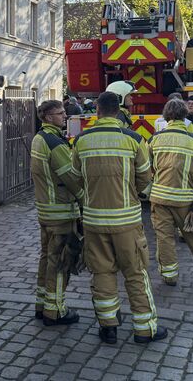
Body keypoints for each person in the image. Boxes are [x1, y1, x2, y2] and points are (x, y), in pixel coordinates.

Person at [72, 92, 166, 345]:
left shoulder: (81, 141)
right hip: (127, 221)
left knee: (102, 272)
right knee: (135, 273)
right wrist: (129, 193)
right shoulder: (134, 140)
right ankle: (145, 330)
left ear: (98, 111)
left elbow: (75, 177)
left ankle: (108, 327)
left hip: (93, 220)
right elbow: (146, 177)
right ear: (119, 110)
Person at [147, 99, 193, 284]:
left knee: (163, 238)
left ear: (166, 115)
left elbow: (146, 170)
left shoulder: (154, 139)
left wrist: (149, 192)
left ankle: (169, 276)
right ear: (185, 115)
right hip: (185, 200)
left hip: (159, 199)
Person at [30, 100, 85, 325]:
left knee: (46, 259)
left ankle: (42, 305)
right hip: (61, 213)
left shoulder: (39, 138)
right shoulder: (55, 143)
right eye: (60, 113)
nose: (65, 116)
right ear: (48, 116)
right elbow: (71, 177)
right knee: (61, 263)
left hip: (45, 211)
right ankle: (56, 311)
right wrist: (85, 199)